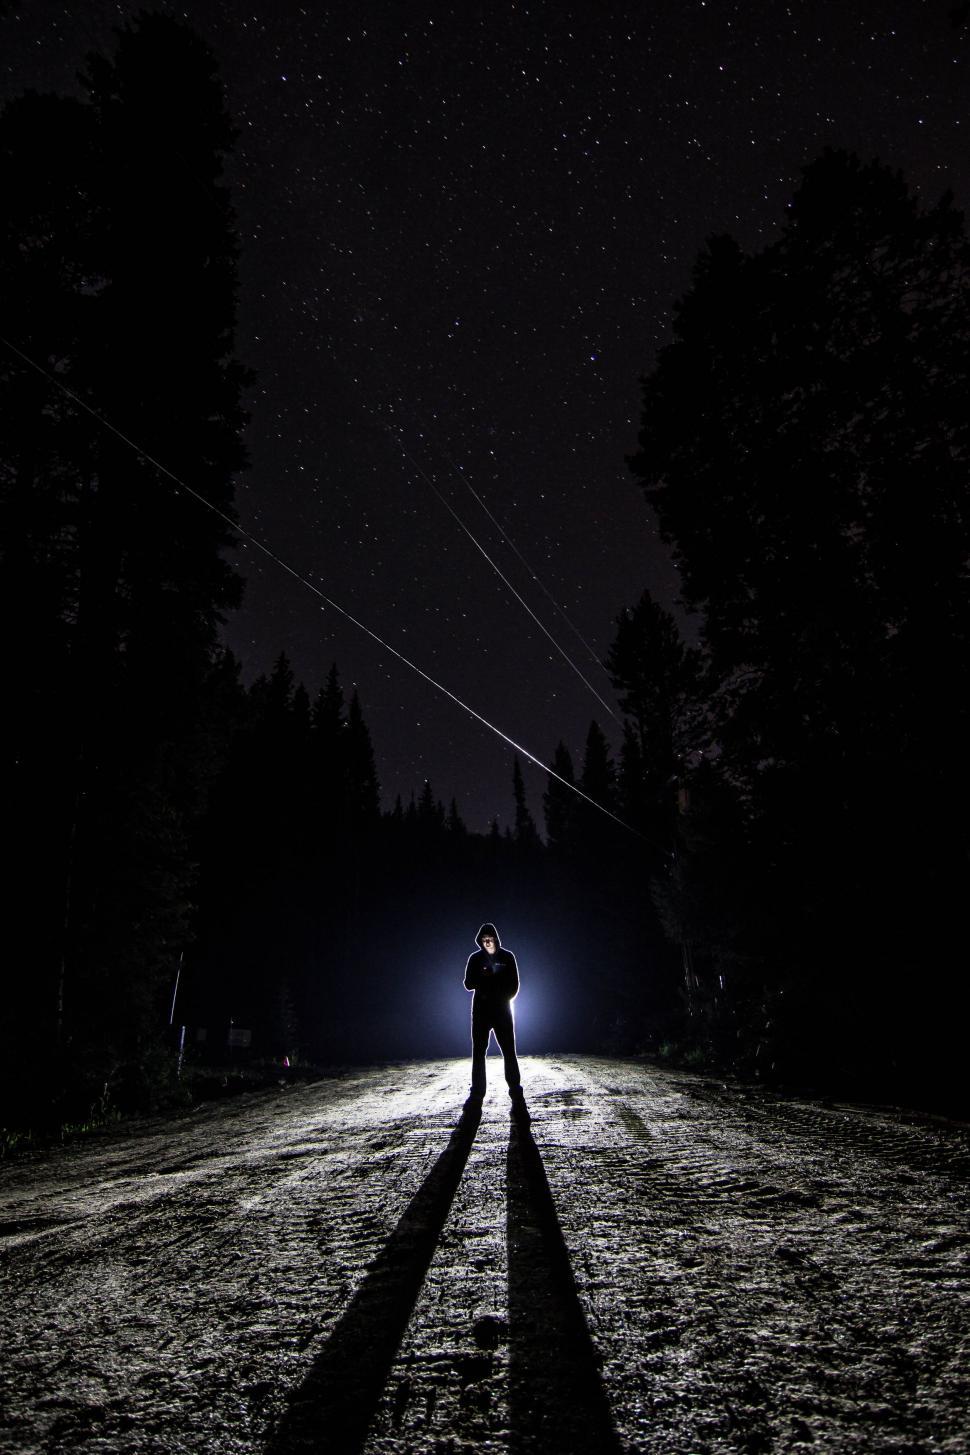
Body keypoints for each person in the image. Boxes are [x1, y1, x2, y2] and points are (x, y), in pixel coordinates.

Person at [464, 922, 528, 1116]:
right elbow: (468, 984)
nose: (487, 942)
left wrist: (502, 997)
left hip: (502, 1012)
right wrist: (482, 975)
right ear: (480, 941)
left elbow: (515, 985)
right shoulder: (475, 959)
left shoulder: (508, 957)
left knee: (509, 1051)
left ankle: (515, 1090)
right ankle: (477, 1092)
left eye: (490, 939)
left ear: (496, 939)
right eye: (484, 940)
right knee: (479, 1053)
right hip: (481, 1013)